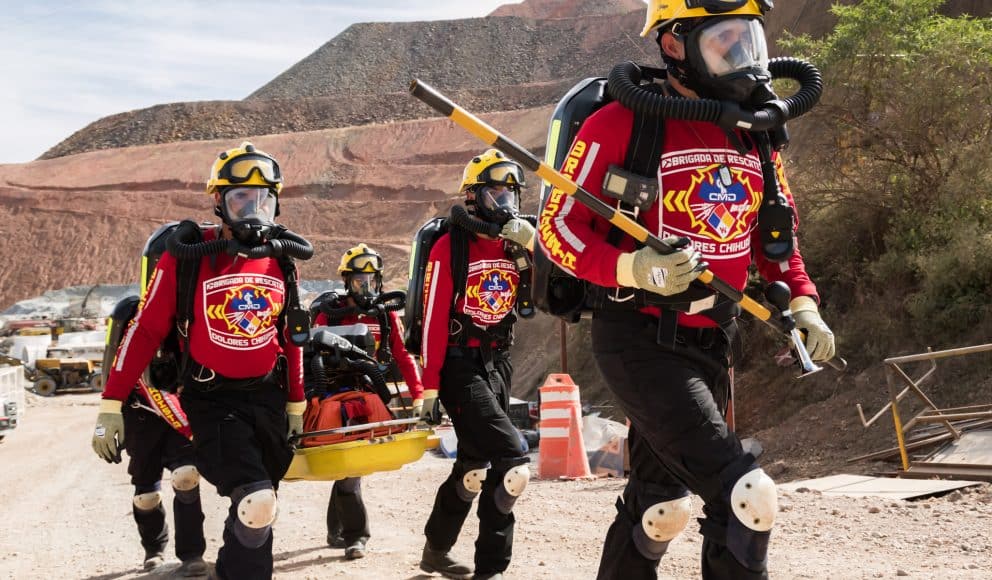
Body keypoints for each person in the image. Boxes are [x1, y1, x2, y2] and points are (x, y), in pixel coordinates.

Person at [537, 1, 836, 579]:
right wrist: (632, 268)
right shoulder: (620, 123)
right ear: (674, 44)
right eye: (725, 39)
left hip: (712, 339)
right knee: (748, 497)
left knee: (661, 509)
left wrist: (802, 303)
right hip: (638, 340)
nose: (743, 55)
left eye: (749, 38)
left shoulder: (755, 136)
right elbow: (557, 227)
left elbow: (776, 239)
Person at [92, 141, 310, 580]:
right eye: (240, 198)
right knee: (255, 500)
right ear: (219, 202)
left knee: (260, 509)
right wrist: (111, 404)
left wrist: (296, 403)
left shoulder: (282, 258)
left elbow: (292, 335)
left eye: (263, 199)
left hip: (266, 397)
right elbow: (145, 330)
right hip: (213, 399)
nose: (253, 208)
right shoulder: (187, 255)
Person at [417, 149, 535, 580]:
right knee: (513, 460)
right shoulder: (452, 245)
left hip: (499, 362)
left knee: (471, 468)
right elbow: (431, 319)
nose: (505, 204)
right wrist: (428, 387)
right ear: (473, 197)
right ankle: (491, 569)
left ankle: (435, 551)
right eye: (495, 194)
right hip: (459, 366)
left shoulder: (516, 245)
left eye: (511, 195)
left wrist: (535, 248)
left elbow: (548, 291)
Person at [311, 243, 425, 560]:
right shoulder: (328, 312)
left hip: (369, 391)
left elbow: (402, 355)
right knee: (347, 463)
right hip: (334, 393)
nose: (366, 287)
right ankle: (349, 534)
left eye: (371, 280)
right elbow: (310, 353)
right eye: (359, 281)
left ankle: (349, 535)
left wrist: (419, 396)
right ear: (347, 281)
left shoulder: (386, 315)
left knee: (352, 464)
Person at [96, 295, 207, 576]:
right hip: (140, 417)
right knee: (146, 495)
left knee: (186, 477)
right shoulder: (128, 313)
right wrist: (106, 423)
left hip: (180, 412)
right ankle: (154, 549)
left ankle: (192, 554)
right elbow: (112, 367)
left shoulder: (191, 310)